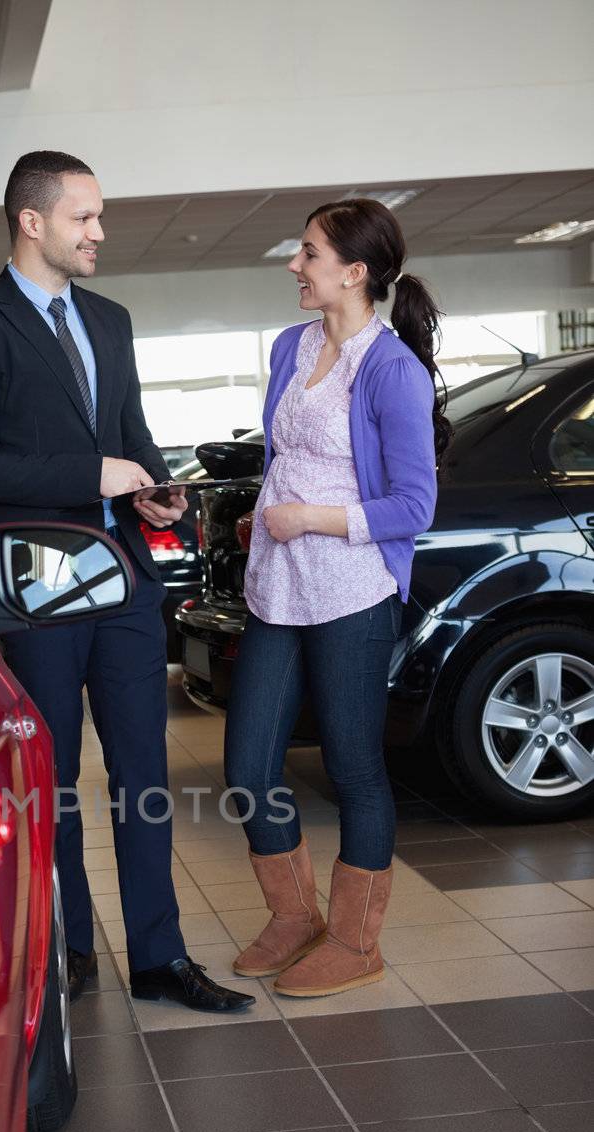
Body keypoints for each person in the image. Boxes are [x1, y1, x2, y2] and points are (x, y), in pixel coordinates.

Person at [0, 150, 252, 1012]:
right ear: (31, 223)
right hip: (38, 592)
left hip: (126, 585)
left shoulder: (109, 319)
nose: (99, 232)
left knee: (143, 771)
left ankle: (157, 957)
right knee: (53, 777)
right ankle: (67, 951)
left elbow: (132, 434)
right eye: (83, 217)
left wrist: (151, 488)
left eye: (98, 216)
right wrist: (91, 474)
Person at [224, 197, 446, 998]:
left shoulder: (391, 370)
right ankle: (294, 919)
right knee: (247, 763)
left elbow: (412, 508)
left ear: (353, 273)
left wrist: (307, 518)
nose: (294, 264)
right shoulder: (290, 346)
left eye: (308, 253)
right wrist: (268, 511)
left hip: (351, 589)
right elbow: (293, 455)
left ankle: (355, 941)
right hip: (278, 586)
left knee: (353, 768)